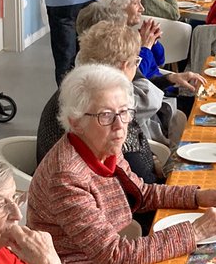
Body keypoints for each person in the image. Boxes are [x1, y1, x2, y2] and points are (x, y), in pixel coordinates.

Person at [27, 65, 216, 264]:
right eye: (105, 115)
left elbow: (142, 193)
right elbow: (116, 256)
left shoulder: (102, 147)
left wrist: (199, 195)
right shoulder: (66, 176)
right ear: (76, 121)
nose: (119, 125)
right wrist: (195, 231)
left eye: (125, 112)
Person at [37, 22, 163, 191]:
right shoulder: (105, 106)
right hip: (120, 199)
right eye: (136, 62)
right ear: (124, 65)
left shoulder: (80, 90)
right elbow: (139, 188)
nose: (120, 123)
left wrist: (154, 160)